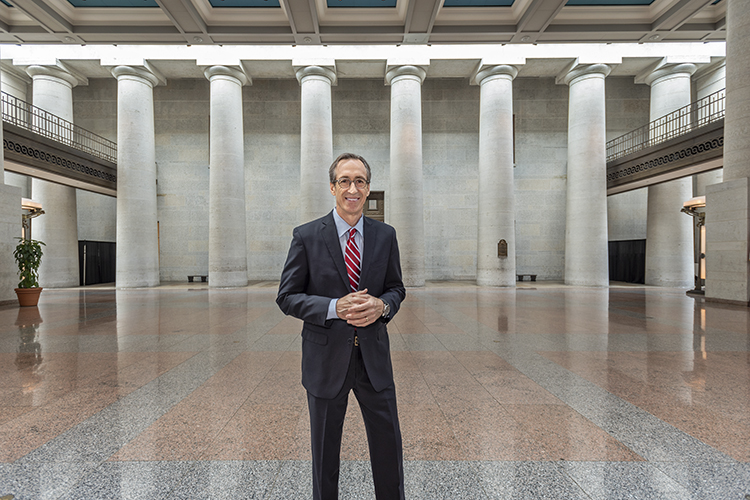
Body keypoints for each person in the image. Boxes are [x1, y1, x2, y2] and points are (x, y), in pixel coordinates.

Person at [277, 152, 406, 500]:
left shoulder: (385, 235)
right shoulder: (306, 236)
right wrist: (334, 307)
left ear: (368, 189)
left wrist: (383, 305)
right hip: (325, 361)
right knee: (324, 455)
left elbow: (397, 288)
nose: (353, 188)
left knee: (388, 450)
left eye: (360, 181)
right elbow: (287, 296)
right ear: (333, 187)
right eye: (345, 181)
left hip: (374, 361)